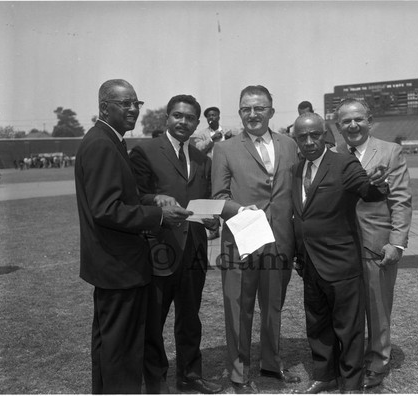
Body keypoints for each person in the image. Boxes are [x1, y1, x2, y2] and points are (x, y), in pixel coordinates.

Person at [74, 79, 191, 394]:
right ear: (104, 107)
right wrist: (160, 216)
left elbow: (124, 197)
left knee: (111, 349)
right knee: (121, 354)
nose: (132, 110)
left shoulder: (111, 140)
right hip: (118, 268)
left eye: (135, 103)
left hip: (116, 265)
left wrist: (154, 200)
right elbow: (107, 209)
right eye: (124, 104)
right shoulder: (101, 143)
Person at [129, 94, 222, 394]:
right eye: (177, 116)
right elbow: (132, 197)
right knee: (154, 320)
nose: (183, 122)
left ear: (197, 122)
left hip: (194, 249)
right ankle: (156, 382)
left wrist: (211, 220)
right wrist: (156, 199)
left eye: (190, 118)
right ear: (167, 118)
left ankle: (190, 375)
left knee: (190, 318)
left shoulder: (201, 159)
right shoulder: (145, 151)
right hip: (159, 249)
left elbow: (204, 200)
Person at [291, 112, 389, 394]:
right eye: (302, 137)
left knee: (349, 328)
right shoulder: (296, 169)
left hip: (341, 263)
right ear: (296, 139)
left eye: (314, 135)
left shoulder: (344, 162)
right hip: (309, 263)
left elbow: (365, 188)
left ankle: (351, 382)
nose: (309, 141)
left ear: (325, 135)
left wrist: (376, 185)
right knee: (318, 325)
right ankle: (325, 375)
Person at [212, 85, 301, 393]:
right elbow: (218, 197)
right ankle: (238, 373)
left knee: (273, 306)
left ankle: (272, 364)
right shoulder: (224, 149)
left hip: (279, 241)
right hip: (240, 241)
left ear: (271, 112)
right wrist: (239, 209)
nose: (253, 114)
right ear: (239, 113)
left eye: (259, 108)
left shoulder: (290, 145)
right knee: (238, 308)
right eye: (246, 108)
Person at [336, 98, 412, 389]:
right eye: (346, 121)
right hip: (342, 247)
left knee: (378, 309)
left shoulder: (390, 152)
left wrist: (397, 242)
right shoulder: (333, 154)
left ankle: (378, 361)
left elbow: (401, 201)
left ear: (369, 121)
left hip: (376, 246)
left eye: (358, 119)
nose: (353, 125)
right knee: (346, 309)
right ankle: (351, 360)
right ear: (338, 126)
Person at [190, 106, 232, 240]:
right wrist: (212, 139)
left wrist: (231, 138)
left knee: (230, 196)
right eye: (209, 116)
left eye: (214, 115)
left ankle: (231, 225)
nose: (211, 118)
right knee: (212, 197)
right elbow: (198, 149)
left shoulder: (228, 131)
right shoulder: (202, 134)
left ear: (219, 116)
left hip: (228, 169)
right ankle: (214, 228)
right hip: (210, 169)